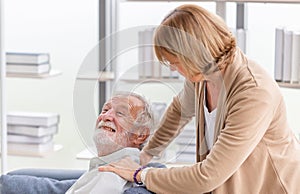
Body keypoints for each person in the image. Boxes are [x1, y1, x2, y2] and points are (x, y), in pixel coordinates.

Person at [99, 4, 300, 194]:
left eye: (175, 62)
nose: (172, 69)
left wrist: (139, 174)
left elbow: (208, 175)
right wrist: (146, 155)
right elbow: (178, 111)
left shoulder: (254, 94)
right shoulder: (203, 75)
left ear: (194, 55)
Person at [66, 92, 157, 194]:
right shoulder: (103, 172)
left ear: (140, 135)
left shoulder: (110, 177)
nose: (105, 116)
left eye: (120, 113)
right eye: (105, 110)